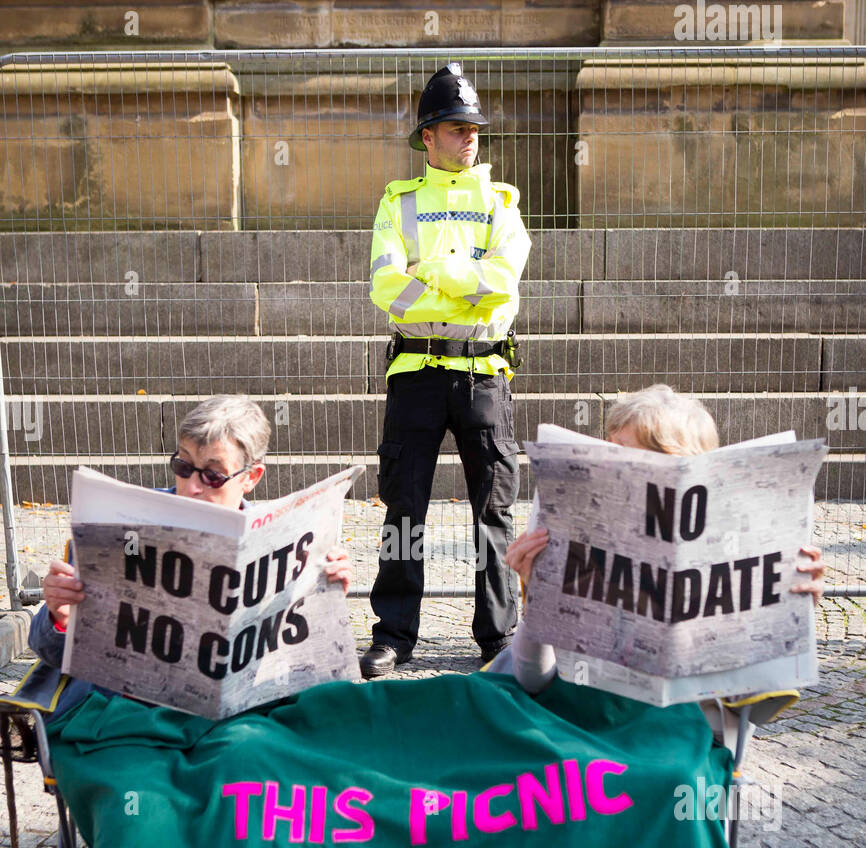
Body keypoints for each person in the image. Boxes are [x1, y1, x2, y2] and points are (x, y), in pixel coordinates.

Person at [359, 62, 532, 679]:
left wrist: (431, 272)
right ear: (427, 137)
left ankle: (498, 635)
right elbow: (386, 289)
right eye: (457, 128)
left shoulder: (501, 204)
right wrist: (465, 287)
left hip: (485, 375)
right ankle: (393, 636)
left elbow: (502, 286)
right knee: (403, 508)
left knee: (495, 509)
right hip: (416, 374)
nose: (469, 137)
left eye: (474, 128)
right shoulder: (398, 204)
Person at [29, 395, 352, 716]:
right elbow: (47, 650)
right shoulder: (123, 521)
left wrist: (324, 598)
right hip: (126, 713)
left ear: (251, 478)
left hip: (234, 719)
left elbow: (300, 666)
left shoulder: (287, 542)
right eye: (183, 466)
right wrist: (60, 617)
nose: (193, 487)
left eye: (213, 475)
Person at [502, 385, 826, 696]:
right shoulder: (579, 549)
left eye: (648, 462)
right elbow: (534, 681)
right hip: (580, 725)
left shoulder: (731, 564)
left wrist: (788, 611)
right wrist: (540, 598)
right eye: (614, 452)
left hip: (672, 739)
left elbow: (741, 708)